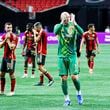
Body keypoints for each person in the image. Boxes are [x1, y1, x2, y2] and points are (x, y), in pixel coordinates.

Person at [54, 12, 83, 106]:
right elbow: (55, 32)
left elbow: (82, 33)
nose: (65, 18)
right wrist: (62, 23)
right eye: (63, 17)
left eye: (67, 17)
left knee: (74, 77)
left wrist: (75, 23)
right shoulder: (58, 26)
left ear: (69, 18)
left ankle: (79, 93)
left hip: (72, 56)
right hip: (61, 56)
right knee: (63, 78)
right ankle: (67, 99)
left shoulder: (72, 25)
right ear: (61, 18)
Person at [0, 22, 18, 96]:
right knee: (1, 74)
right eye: (7, 27)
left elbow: (12, 47)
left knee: (11, 74)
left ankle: (12, 91)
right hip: (4, 57)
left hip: (11, 58)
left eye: (10, 27)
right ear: (5, 28)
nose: (9, 29)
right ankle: (2, 91)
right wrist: (5, 40)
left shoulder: (14, 36)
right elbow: (0, 46)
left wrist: (7, 41)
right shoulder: (3, 36)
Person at [34, 22, 54, 86]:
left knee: (40, 67)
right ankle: (41, 81)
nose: (35, 29)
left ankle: (50, 78)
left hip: (41, 52)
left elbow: (36, 40)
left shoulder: (42, 32)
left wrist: (34, 34)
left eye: (35, 28)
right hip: (42, 51)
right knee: (41, 67)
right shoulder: (42, 32)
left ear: (38, 27)